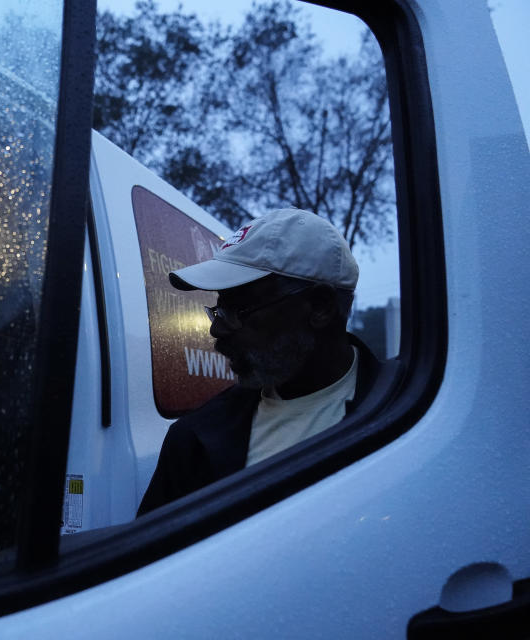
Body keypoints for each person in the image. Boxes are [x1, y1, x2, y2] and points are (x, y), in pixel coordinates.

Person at [137, 208, 385, 517]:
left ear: (320, 308)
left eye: (239, 310)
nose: (216, 330)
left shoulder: (412, 414)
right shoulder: (194, 440)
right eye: (217, 310)